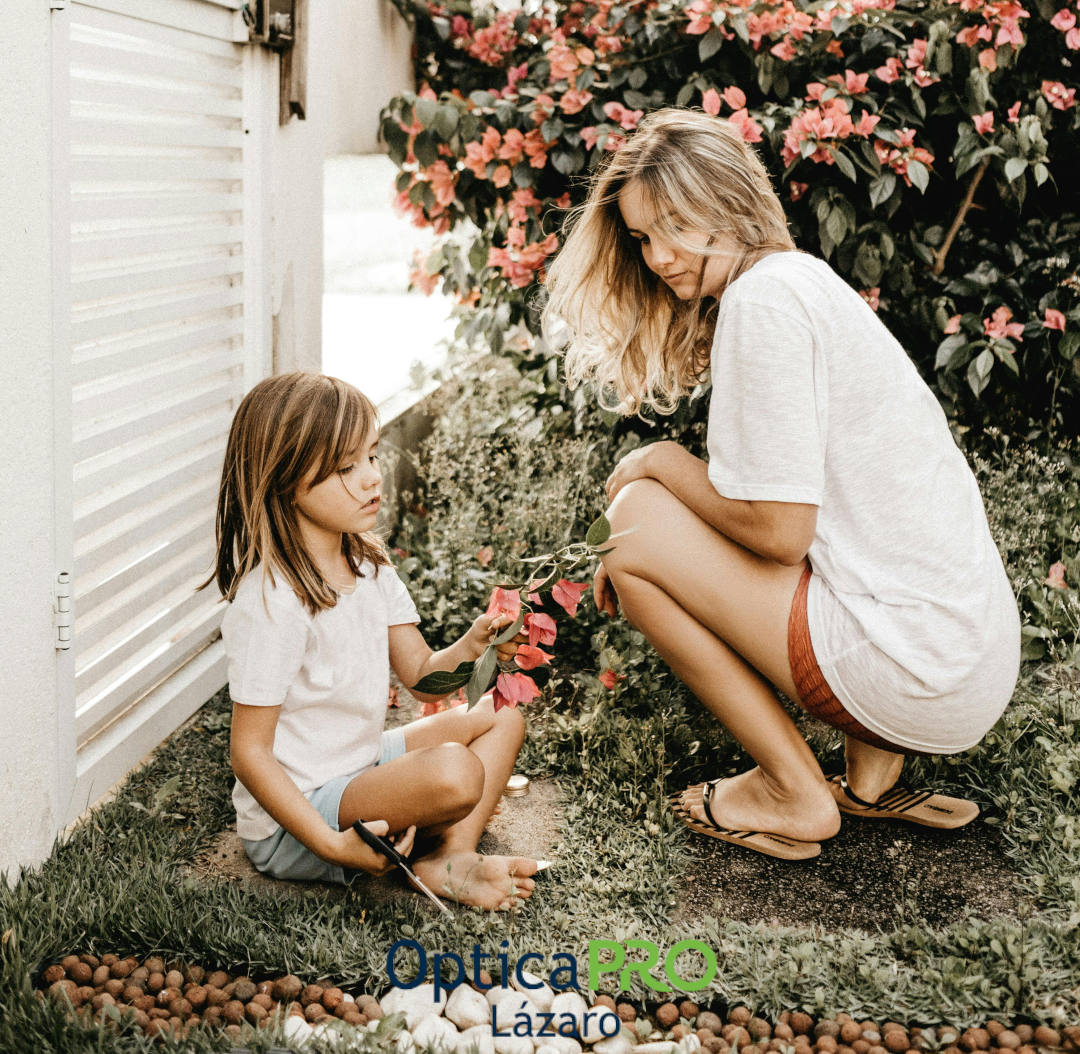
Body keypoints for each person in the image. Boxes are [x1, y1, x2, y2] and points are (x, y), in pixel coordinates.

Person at [543, 108, 1020, 861]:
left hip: (912, 668)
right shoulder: (801, 283)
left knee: (634, 524)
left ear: (728, 200)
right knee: (821, 530)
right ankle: (870, 776)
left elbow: (778, 532)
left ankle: (791, 790)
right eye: (640, 237)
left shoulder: (763, 301)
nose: (659, 256)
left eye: (673, 224)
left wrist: (657, 462)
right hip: (967, 659)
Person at [209, 371, 539, 908]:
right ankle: (432, 846)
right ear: (285, 479)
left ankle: (449, 857)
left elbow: (422, 675)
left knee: (503, 715)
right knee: (456, 771)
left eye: (372, 456)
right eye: (346, 467)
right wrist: (331, 846)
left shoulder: (368, 566)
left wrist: (473, 647)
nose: (372, 479)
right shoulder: (272, 601)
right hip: (303, 812)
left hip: (361, 764)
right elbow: (249, 754)